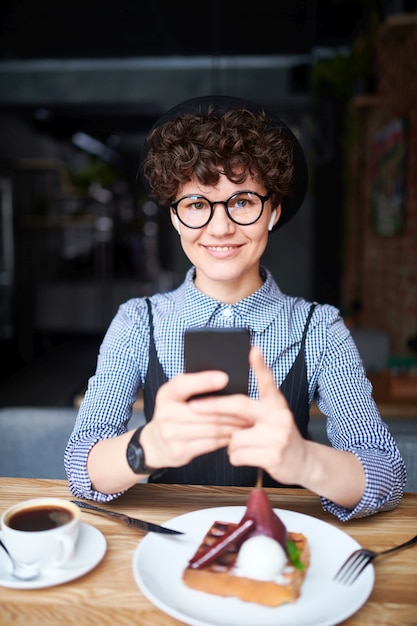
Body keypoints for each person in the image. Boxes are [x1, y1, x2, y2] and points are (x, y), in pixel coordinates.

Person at [65, 95, 406, 521]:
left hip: (278, 551)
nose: (220, 227)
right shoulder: (137, 322)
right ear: (174, 216)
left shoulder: (320, 328)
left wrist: (305, 461)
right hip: (168, 550)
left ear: (273, 211)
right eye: (196, 204)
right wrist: (145, 446)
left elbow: (387, 475)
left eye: (242, 201)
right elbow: (81, 467)